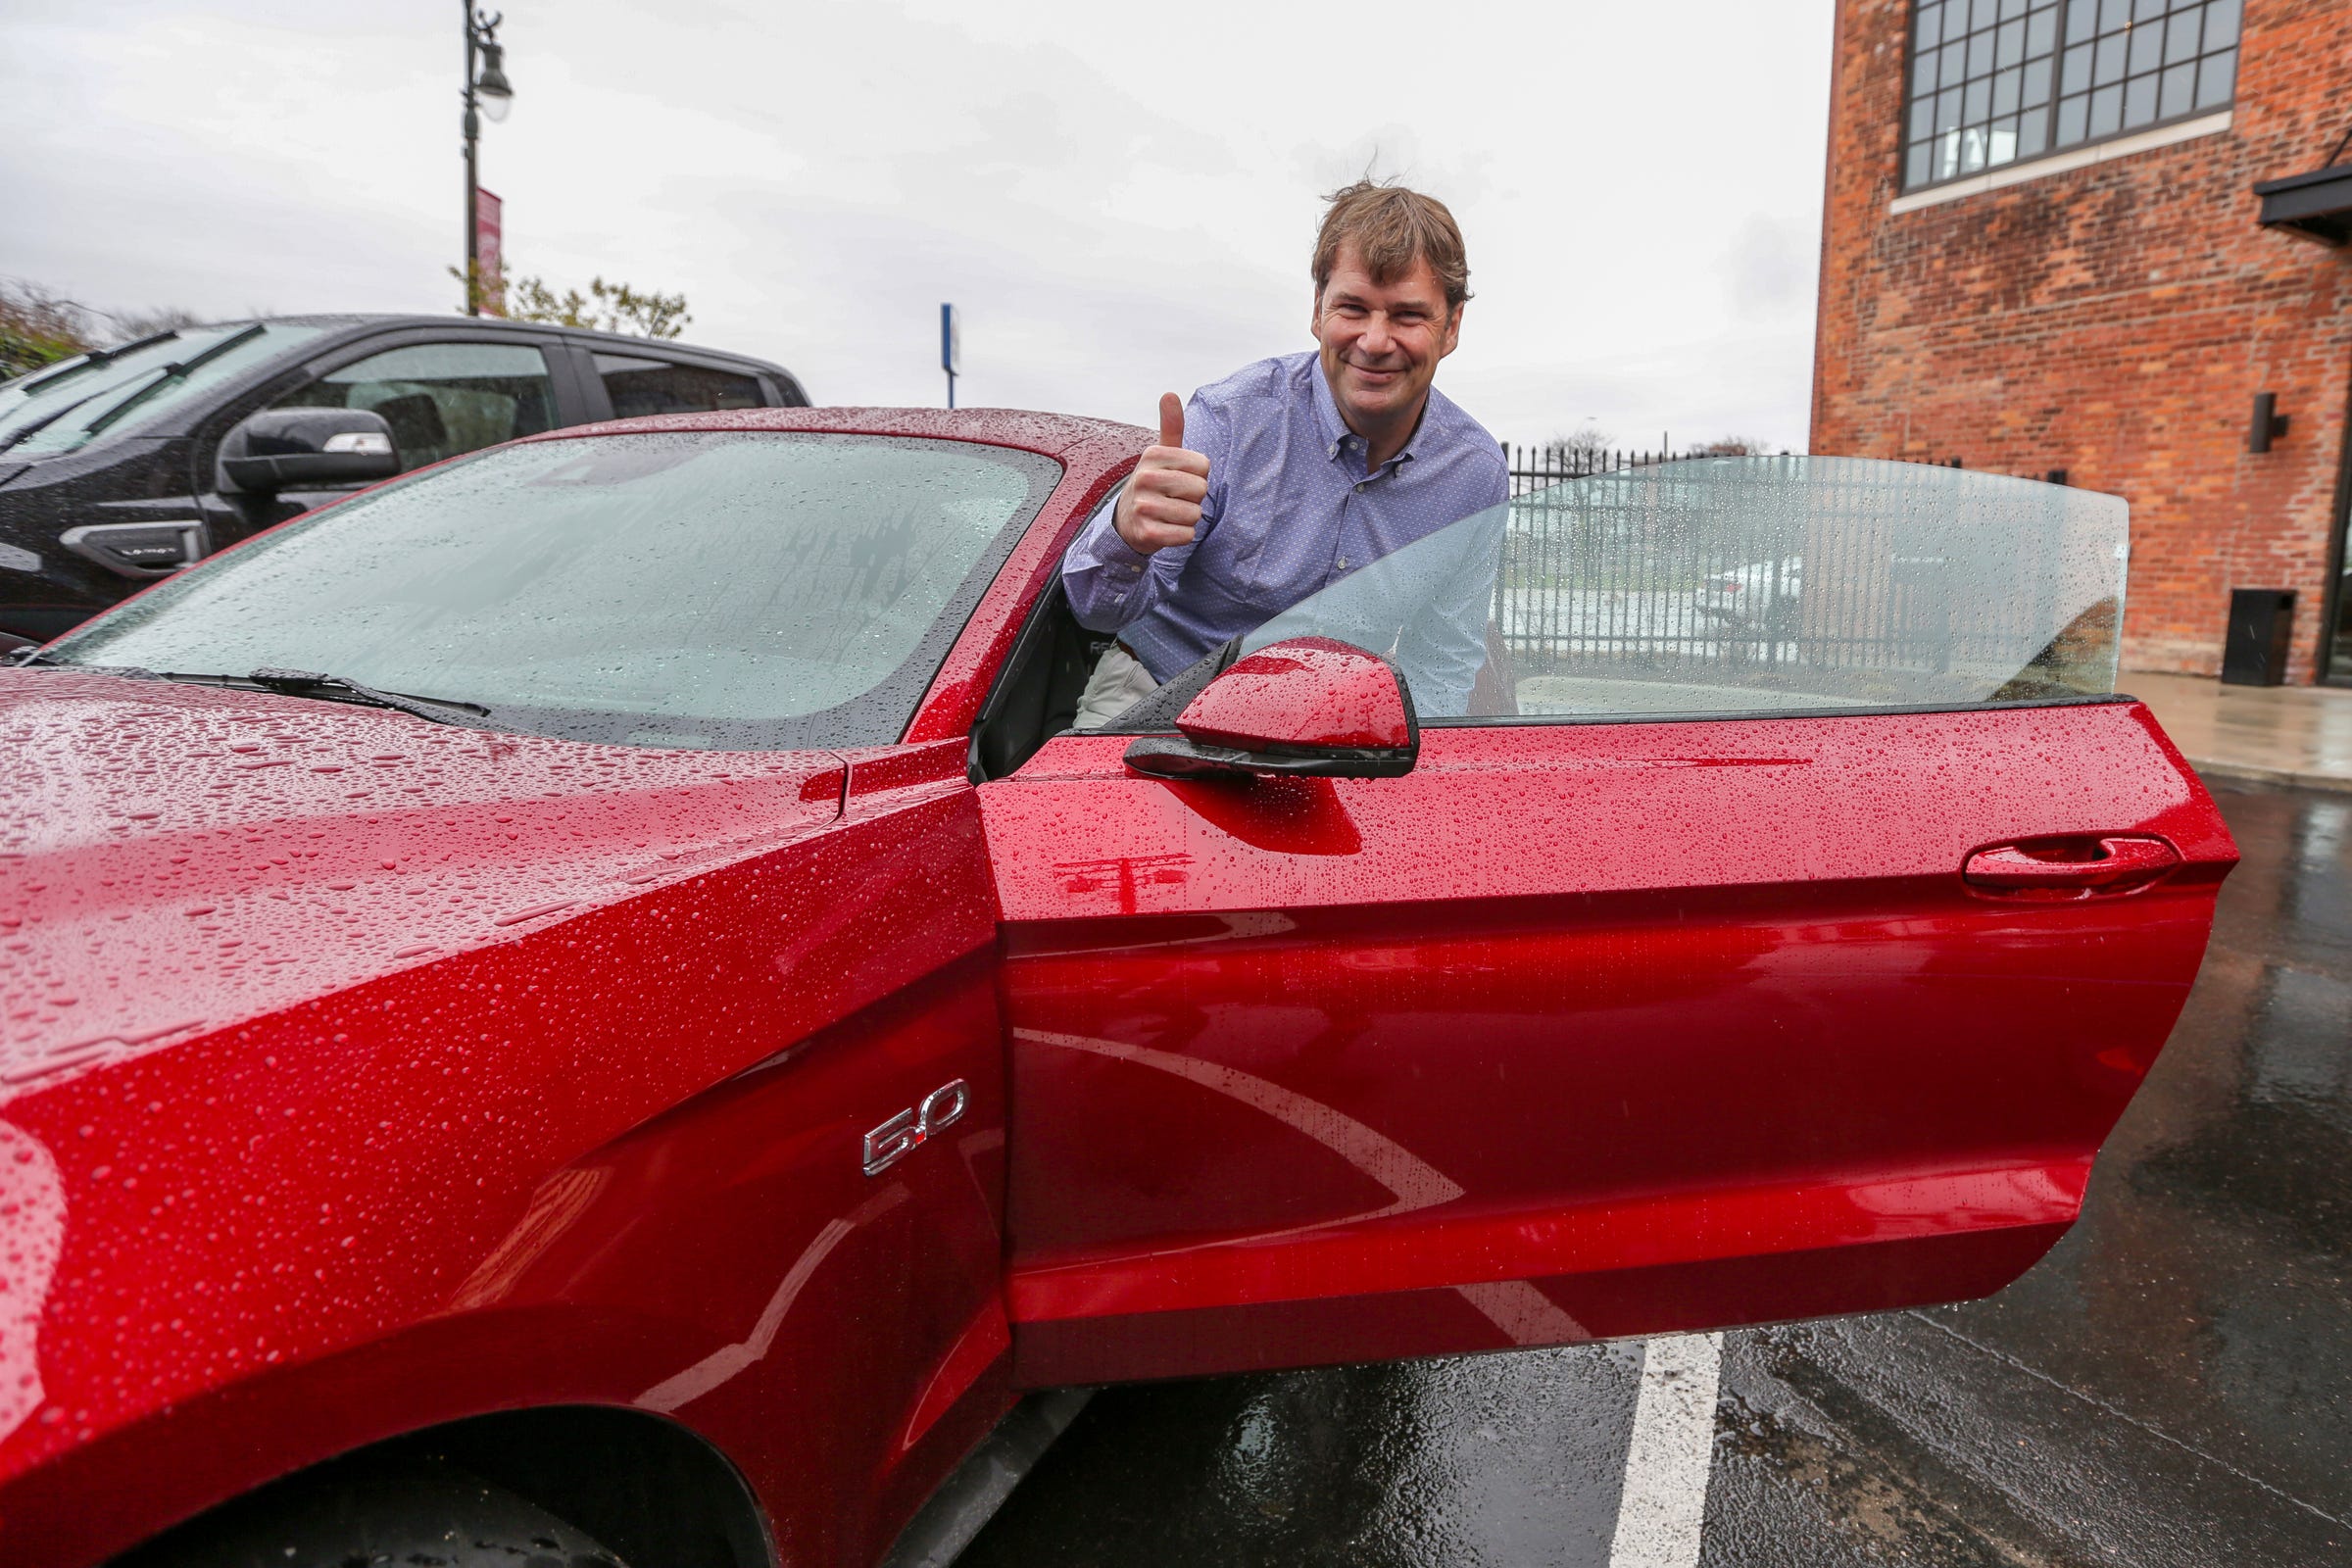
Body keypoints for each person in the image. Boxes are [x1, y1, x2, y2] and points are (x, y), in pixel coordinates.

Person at [1061, 180, 1509, 727]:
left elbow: (1443, 660)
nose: (1374, 339)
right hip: (1156, 698)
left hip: (1328, 733)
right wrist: (1126, 540)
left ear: (1451, 327)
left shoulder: (1474, 477)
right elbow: (1095, 611)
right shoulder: (1229, 421)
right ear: (1318, 310)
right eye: (1353, 307)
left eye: (1407, 316)